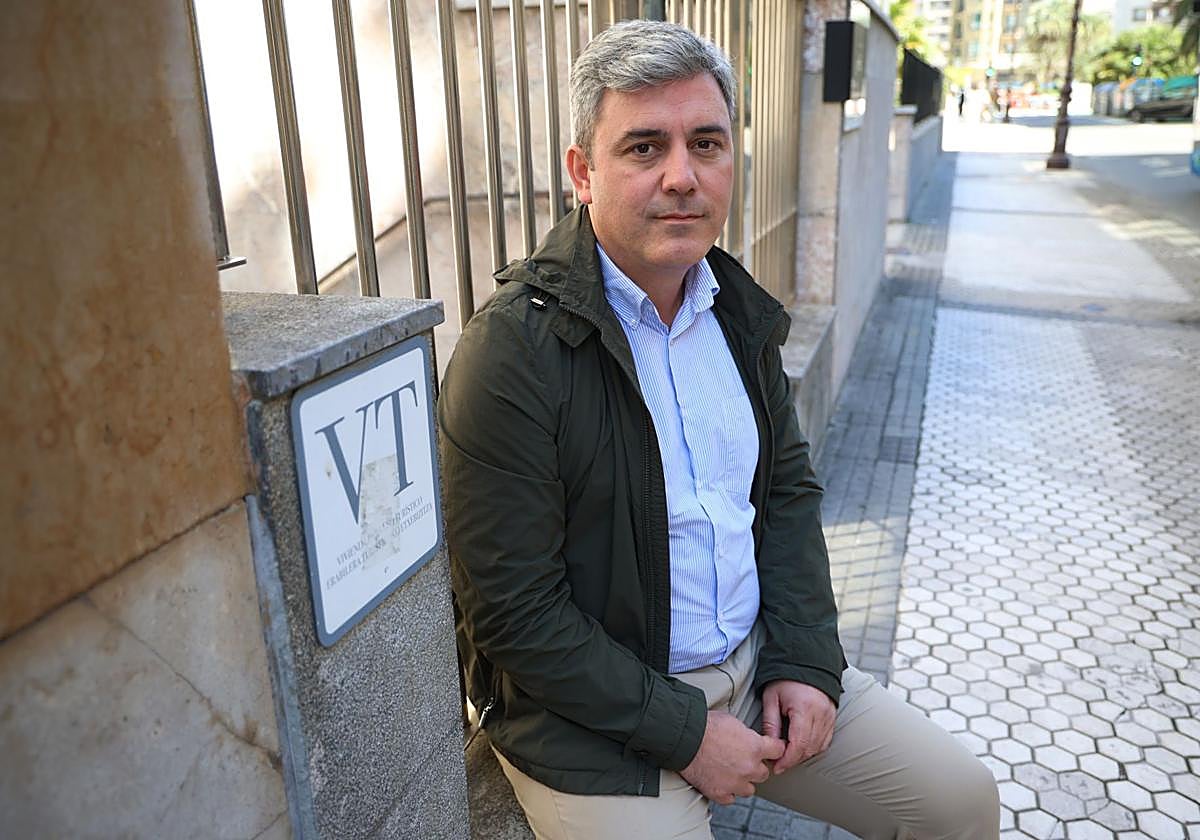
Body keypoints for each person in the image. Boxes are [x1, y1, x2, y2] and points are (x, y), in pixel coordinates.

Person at [439, 20, 999, 840]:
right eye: (642, 148)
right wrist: (688, 733)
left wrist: (806, 663)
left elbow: (787, 491)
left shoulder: (733, 312)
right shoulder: (513, 350)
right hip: (590, 717)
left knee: (959, 801)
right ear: (581, 173)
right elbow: (514, 612)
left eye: (706, 142)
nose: (682, 176)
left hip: (756, 660)